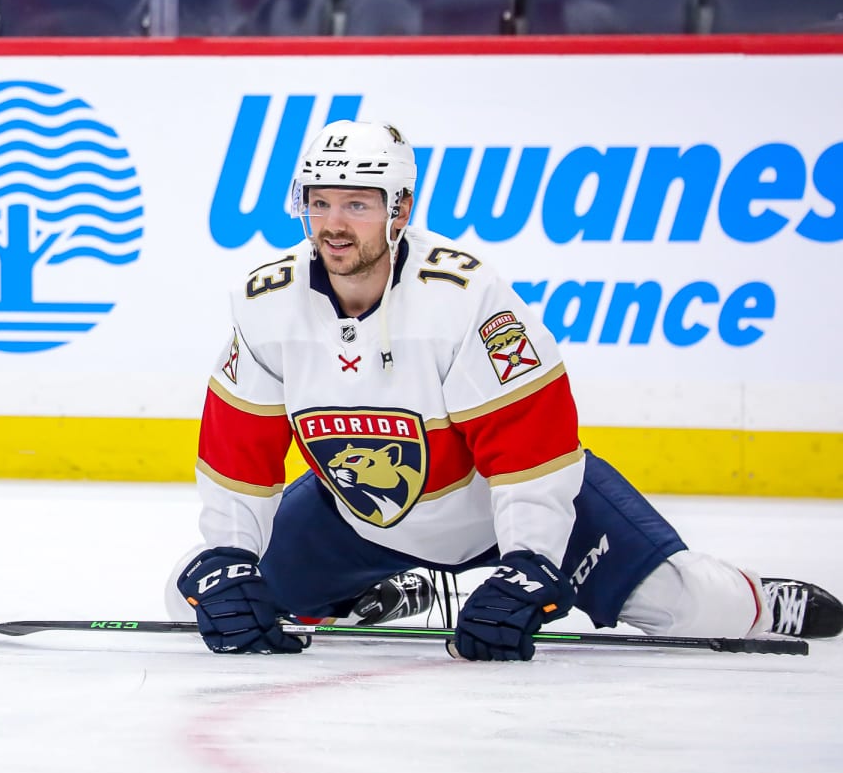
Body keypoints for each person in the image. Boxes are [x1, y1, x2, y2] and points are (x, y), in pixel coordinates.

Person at [172, 119, 840, 660]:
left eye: (357, 203)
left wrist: (529, 565)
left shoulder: (466, 297)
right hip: (361, 516)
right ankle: (379, 590)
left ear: (400, 208)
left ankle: (757, 597)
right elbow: (238, 452)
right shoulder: (266, 303)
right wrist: (230, 556)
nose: (335, 224)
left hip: (502, 505)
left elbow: (532, 453)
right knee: (194, 595)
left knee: (694, 610)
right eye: (320, 202)